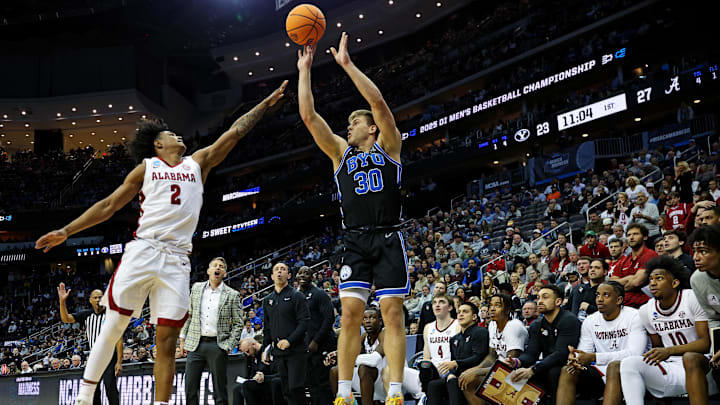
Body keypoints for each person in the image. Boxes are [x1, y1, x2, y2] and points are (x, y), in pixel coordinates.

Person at [35, 82, 287, 405]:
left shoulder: (199, 163)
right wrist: (67, 231)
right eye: (170, 134)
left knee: (166, 343)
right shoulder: (147, 167)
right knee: (113, 325)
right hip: (145, 249)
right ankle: (84, 398)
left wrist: (265, 104)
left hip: (178, 260)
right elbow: (109, 205)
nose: (178, 136)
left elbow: (235, 133)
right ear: (158, 144)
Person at [298, 33, 408, 405]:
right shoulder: (340, 155)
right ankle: (343, 393)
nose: (348, 127)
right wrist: (305, 70)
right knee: (349, 315)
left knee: (392, 313)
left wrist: (347, 65)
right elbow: (309, 117)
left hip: (389, 237)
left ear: (371, 128)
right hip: (355, 240)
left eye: (353, 122)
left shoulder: (390, 146)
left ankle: (394, 389)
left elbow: (377, 101)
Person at [619, 256, 715, 404]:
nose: (653, 283)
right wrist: (664, 353)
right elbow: (659, 349)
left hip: (701, 365)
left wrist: (669, 351)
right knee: (628, 363)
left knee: (690, 357)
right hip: (671, 367)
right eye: (650, 279)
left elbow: (705, 343)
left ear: (675, 282)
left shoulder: (691, 298)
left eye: (659, 278)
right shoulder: (646, 310)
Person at [556, 281, 647, 405]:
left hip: (630, 370)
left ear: (619, 300)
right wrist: (576, 359)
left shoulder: (635, 316)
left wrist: (595, 357)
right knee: (568, 370)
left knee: (614, 367)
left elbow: (635, 353)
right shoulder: (590, 320)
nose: (600, 299)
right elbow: (585, 351)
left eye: (606, 295)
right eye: (598, 295)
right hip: (600, 370)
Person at [180, 257, 243, 405]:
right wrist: (182, 338)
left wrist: (228, 345)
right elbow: (189, 314)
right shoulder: (196, 288)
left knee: (220, 390)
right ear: (208, 270)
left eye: (221, 266)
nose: (218, 268)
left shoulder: (232, 294)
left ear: (225, 273)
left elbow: (238, 324)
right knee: (190, 388)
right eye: (215, 265)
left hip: (217, 344)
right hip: (195, 344)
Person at [506, 285, 580, 402]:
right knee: (517, 374)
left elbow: (561, 354)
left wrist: (533, 370)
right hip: (547, 365)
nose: (540, 301)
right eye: (538, 297)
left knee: (552, 372)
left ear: (558, 301)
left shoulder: (569, 320)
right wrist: (517, 362)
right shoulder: (537, 324)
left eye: (545, 297)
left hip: (570, 367)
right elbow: (531, 354)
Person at [457, 294, 528, 404]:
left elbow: (510, 365)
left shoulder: (514, 326)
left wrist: (477, 372)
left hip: (518, 374)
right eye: (490, 306)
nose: (492, 309)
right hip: (498, 371)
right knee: (466, 381)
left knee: (473, 379)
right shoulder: (492, 325)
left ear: (507, 310)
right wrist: (473, 370)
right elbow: (492, 356)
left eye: (497, 305)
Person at [57, 284, 121, 405]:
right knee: (93, 391)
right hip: (94, 358)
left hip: (109, 357)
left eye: (100, 297)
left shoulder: (111, 315)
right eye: (95, 297)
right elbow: (66, 319)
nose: (98, 300)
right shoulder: (86, 315)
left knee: (110, 389)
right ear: (90, 300)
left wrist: (119, 361)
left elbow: (119, 338)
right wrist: (62, 302)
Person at [262, 263, 310, 405]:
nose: (279, 272)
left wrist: (289, 341)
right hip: (278, 352)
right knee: (286, 391)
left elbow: (304, 323)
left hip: (296, 351)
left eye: (283, 269)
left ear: (289, 276)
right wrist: (265, 349)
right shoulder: (267, 300)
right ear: (271, 276)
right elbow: (267, 329)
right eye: (276, 269)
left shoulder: (297, 296)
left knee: (296, 388)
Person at [426, 302, 489, 405]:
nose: (460, 314)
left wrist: (456, 363)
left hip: (477, 373)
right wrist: (451, 373)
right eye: (459, 312)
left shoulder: (481, 332)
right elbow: (454, 365)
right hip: (459, 374)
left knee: (453, 382)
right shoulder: (455, 339)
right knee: (434, 385)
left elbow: (479, 357)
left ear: (474, 316)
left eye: (465, 312)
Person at [689, 225, 720, 402]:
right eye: (694, 251)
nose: (696, 257)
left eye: (703, 251)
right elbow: (713, 317)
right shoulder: (697, 279)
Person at [297, 266, 337, 405]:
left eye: (306, 273)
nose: (302, 275)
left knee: (323, 384)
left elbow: (329, 319)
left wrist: (316, 341)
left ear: (312, 277)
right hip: (305, 348)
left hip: (322, 345)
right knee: (311, 384)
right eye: (300, 273)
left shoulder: (319, 294)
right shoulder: (296, 296)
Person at [330, 307, 385, 405]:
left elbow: (374, 360)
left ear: (380, 321)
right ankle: (344, 402)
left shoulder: (385, 334)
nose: (367, 321)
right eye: (364, 318)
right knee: (336, 371)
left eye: (372, 318)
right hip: (371, 378)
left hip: (388, 379)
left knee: (364, 368)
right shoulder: (364, 337)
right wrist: (336, 355)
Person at [610, 223, 658, 308]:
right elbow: (612, 283)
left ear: (645, 237)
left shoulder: (650, 255)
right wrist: (630, 278)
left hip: (643, 305)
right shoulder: (624, 260)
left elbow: (637, 282)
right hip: (623, 305)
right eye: (629, 235)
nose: (631, 237)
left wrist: (621, 282)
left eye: (635, 234)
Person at [419, 294, 460, 394]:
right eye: (434, 303)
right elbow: (426, 356)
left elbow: (460, 355)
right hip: (433, 372)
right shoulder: (428, 327)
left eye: (441, 302)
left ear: (450, 307)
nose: (437, 305)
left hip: (451, 370)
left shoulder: (458, 325)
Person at [236, 338, 283, 405]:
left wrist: (264, 377)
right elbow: (252, 374)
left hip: (271, 380)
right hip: (262, 382)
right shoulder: (253, 356)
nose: (248, 354)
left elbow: (279, 372)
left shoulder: (268, 352)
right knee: (238, 388)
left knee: (247, 385)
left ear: (254, 344)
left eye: (248, 351)